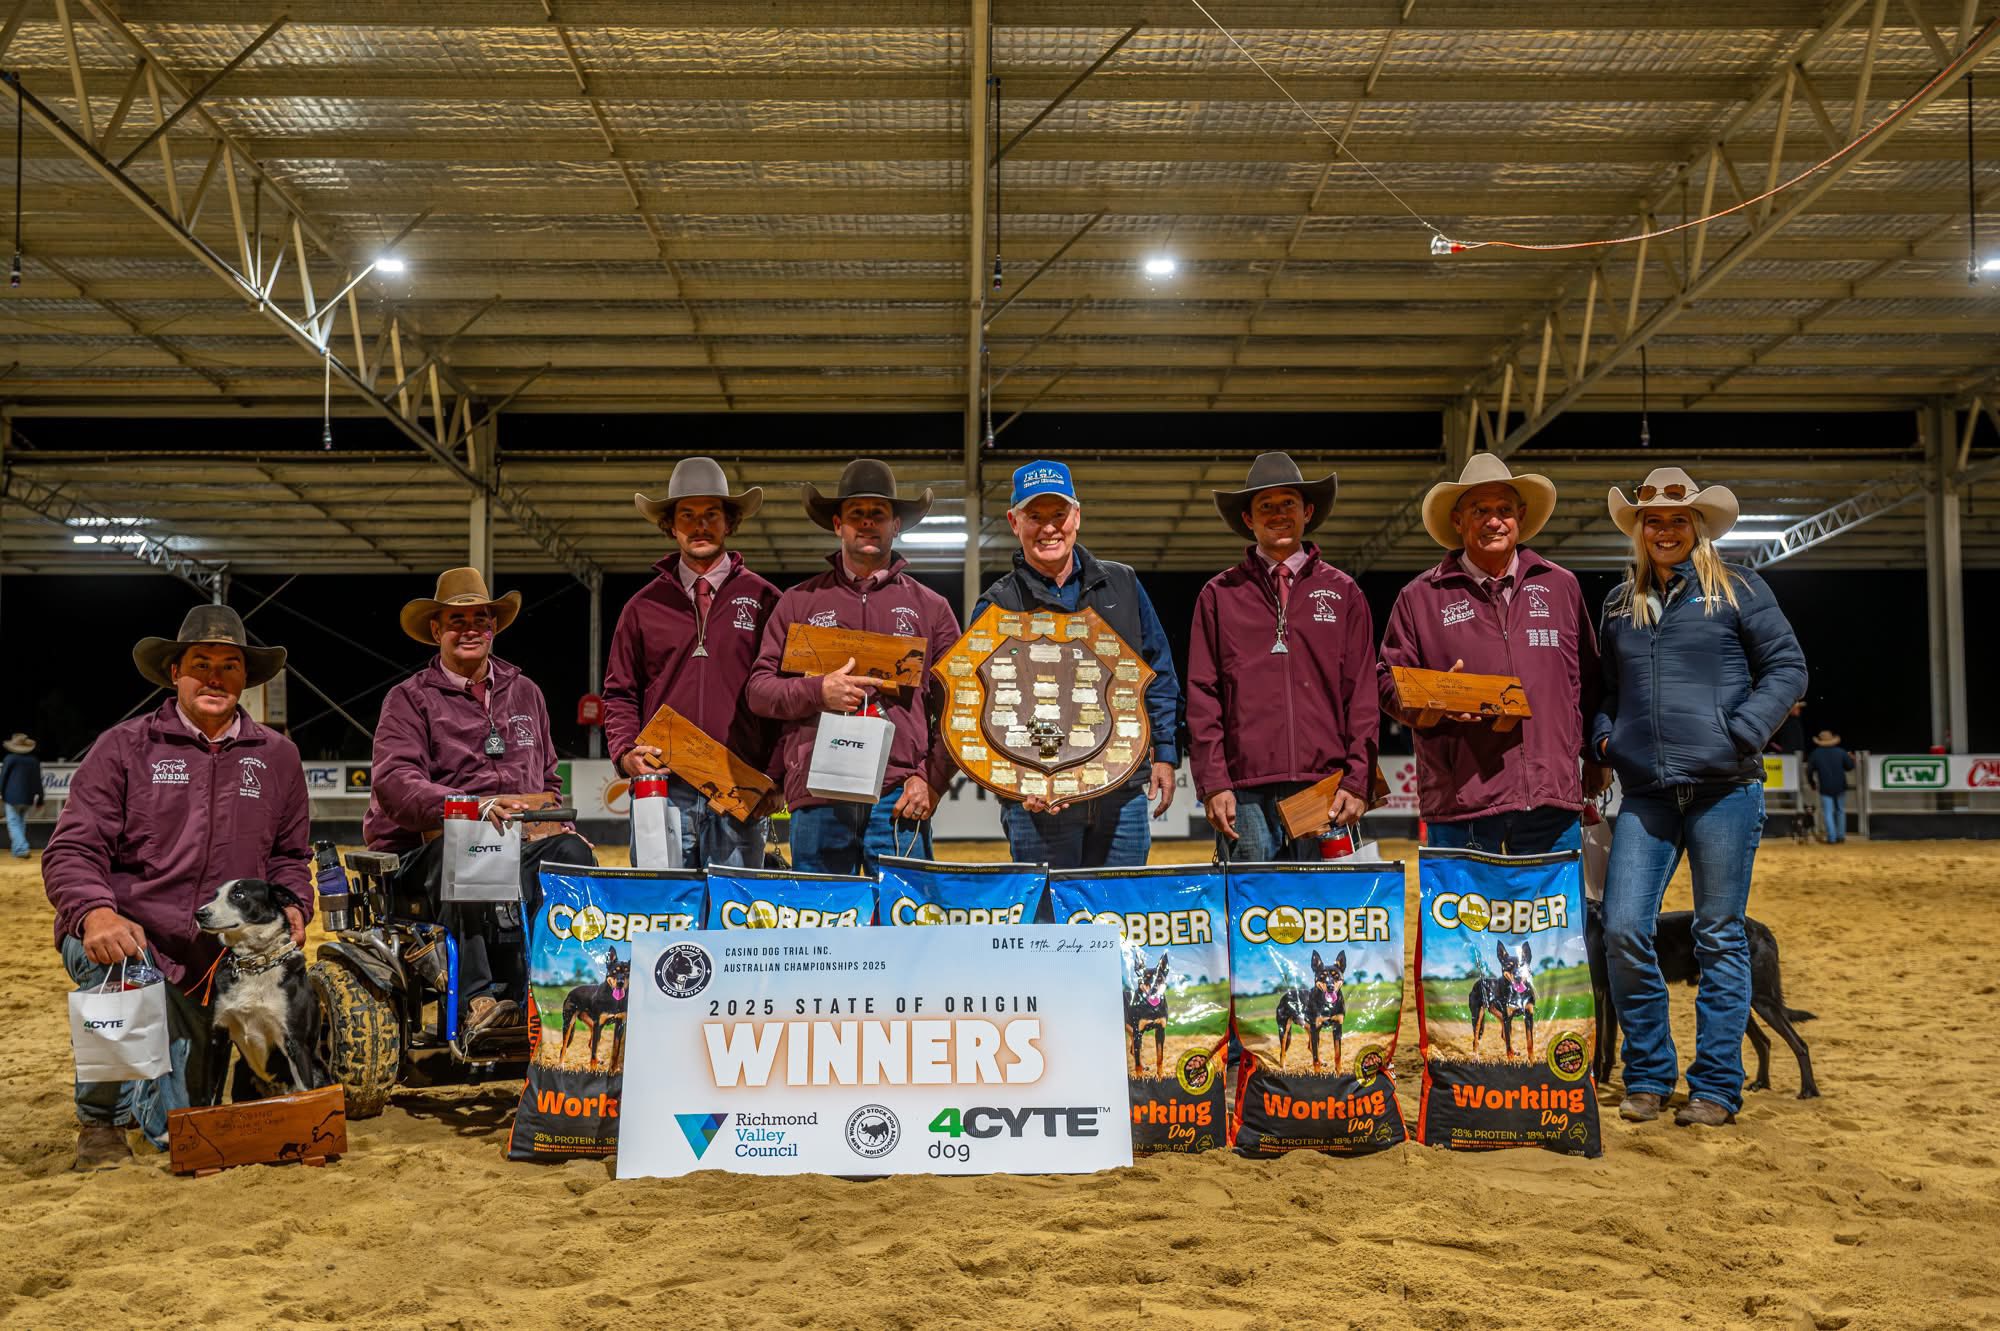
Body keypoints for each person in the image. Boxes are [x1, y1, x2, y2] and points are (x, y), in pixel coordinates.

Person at [43, 606, 309, 1168]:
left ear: (245, 677)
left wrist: (296, 905)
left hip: (214, 956)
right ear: (175, 673)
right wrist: (94, 912)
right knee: (120, 969)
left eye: (229, 666)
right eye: (201, 664)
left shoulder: (279, 757)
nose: (215, 678)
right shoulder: (123, 747)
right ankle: (102, 1124)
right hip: (132, 938)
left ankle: (174, 1088)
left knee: (181, 1127)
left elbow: (289, 856)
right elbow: (72, 849)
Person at [1592, 467, 1807, 1129]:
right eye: (1652, 520)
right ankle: (1649, 1075)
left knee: (1719, 935)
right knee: (1624, 928)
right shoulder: (1619, 604)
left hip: (1726, 790)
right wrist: (1606, 740)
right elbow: (1606, 691)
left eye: (1677, 519)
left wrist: (1740, 732)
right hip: (1647, 794)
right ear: (1639, 529)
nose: (1664, 530)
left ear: (1698, 525)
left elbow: (1788, 666)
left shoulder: (1741, 588)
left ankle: (1715, 1085)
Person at [366, 568, 593, 1036]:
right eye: (457, 621)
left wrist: (559, 825)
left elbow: (548, 778)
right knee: (472, 849)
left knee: (573, 854)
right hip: (432, 849)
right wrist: (473, 807)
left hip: (516, 841)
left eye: (480, 620)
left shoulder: (526, 693)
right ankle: (478, 999)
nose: (469, 629)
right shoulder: (409, 699)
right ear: (437, 630)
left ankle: (551, 990)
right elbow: (395, 783)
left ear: (494, 629)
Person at [1377, 453, 1608, 854]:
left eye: (1504, 510)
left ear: (1520, 516)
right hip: (1462, 800)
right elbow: (1386, 680)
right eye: (1479, 510)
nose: (1493, 521)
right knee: (1463, 899)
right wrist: (1431, 701)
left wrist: (1596, 757)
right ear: (1458, 521)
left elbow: (1588, 681)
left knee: (1551, 899)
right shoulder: (1420, 597)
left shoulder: (1561, 586)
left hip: (1552, 797)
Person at [746, 459, 960, 876]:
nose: (866, 522)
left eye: (878, 513)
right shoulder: (798, 602)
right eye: (856, 513)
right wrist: (817, 692)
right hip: (818, 794)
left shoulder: (931, 608)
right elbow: (759, 690)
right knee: (824, 916)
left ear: (896, 525)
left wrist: (932, 781)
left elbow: (957, 706)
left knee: (904, 915)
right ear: (837, 525)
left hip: (898, 796)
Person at [971, 460, 1183, 868]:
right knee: (1050, 908)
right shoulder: (997, 605)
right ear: (1014, 522)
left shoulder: (1123, 584)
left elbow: (1158, 674)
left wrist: (1165, 753)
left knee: (1119, 904)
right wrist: (1015, 782)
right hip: (1040, 802)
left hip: (1122, 792)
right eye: (1035, 516)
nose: (1049, 528)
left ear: (1077, 517)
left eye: (1059, 514)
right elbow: (982, 703)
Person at [1189, 453, 1377, 860]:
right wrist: (1213, 781)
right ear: (1248, 519)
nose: (1278, 514)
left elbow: (1362, 694)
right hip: (1244, 792)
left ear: (1307, 512)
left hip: (1325, 788)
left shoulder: (1344, 593)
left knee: (1323, 900)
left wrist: (1358, 779)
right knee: (1252, 900)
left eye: (1288, 503)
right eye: (1266, 506)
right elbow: (1203, 695)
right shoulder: (1218, 595)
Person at [605, 457, 781, 867]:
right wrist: (626, 754)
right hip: (663, 787)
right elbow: (619, 694)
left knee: (733, 904)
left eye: (711, 514)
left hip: (738, 785)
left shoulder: (766, 600)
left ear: (729, 522)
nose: (700, 525)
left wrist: (775, 775)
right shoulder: (641, 607)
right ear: (671, 525)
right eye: (687, 515)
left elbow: (782, 696)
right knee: (663, 902)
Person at [1806, 729, 1856, 844]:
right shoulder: (1841, 752)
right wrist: (1852, 759)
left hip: (1825, 786)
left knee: (1828, 812)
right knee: (1840, 810)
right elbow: (1849, 767)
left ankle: (1832, 838)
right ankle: (1841, 836)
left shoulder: (1816, 754)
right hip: (1840, 786)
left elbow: (1809, 771)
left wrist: (1812, 783)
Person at [3, 733, 45, 857]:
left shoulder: (9, 759)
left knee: (13, 823)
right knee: (21, 822)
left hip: (12, 797)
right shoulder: (34, 761)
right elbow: (38, 782)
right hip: (28, 798)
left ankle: (22, 849)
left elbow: (3, 778)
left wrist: (1, 793)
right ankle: (17, 850)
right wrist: (40, 799)